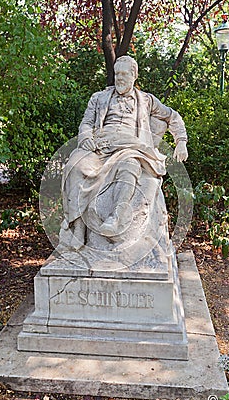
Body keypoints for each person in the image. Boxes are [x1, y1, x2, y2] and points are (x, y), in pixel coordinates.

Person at [58, 55, 188, 255]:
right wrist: (85, 137)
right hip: (101, 145)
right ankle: (78, 227)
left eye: (124, 74)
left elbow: (173, 117)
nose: (119, 78)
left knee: (130, 165)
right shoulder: (99, 98)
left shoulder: (146, 100)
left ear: (134, 75)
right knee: (74, 167)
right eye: (117, 73)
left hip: (131, 146)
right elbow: (86, 122)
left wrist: (181, 141)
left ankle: (116, 217)